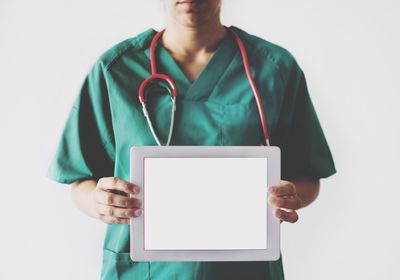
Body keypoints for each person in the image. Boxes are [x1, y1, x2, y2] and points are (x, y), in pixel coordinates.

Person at [47, 0, 336, 279]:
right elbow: (79, 181)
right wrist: (99, 202)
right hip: (143, 271)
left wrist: (290, 196)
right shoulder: (115, 70)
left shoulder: (273, 68)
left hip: (243, 271)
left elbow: (308, 178)